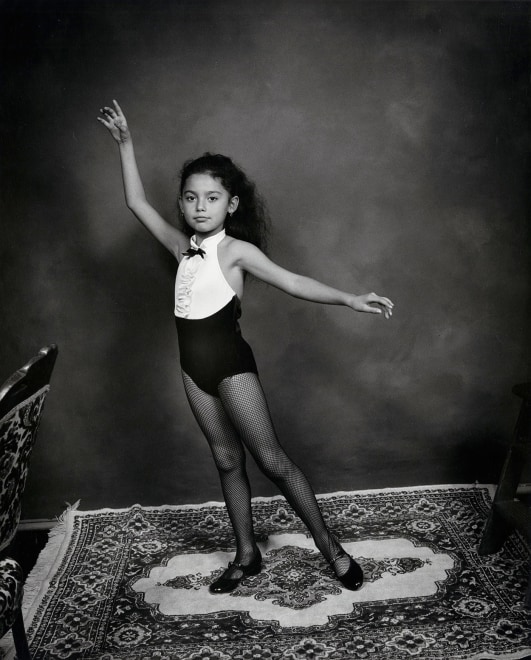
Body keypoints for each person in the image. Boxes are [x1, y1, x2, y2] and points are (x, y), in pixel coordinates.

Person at [98, 100, 394, 594]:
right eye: (190, 198)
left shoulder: (236, 251)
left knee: (272, 461)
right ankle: (246, 554)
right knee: (226, 460)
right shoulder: (179, 246)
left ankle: (331, 548)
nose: (199, 206)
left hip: (232, 367)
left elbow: (293, 281)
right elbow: (136, 204)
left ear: (231, 205)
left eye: (211, 198)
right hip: (192, 370)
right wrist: (126, 144)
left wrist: (348, 297)